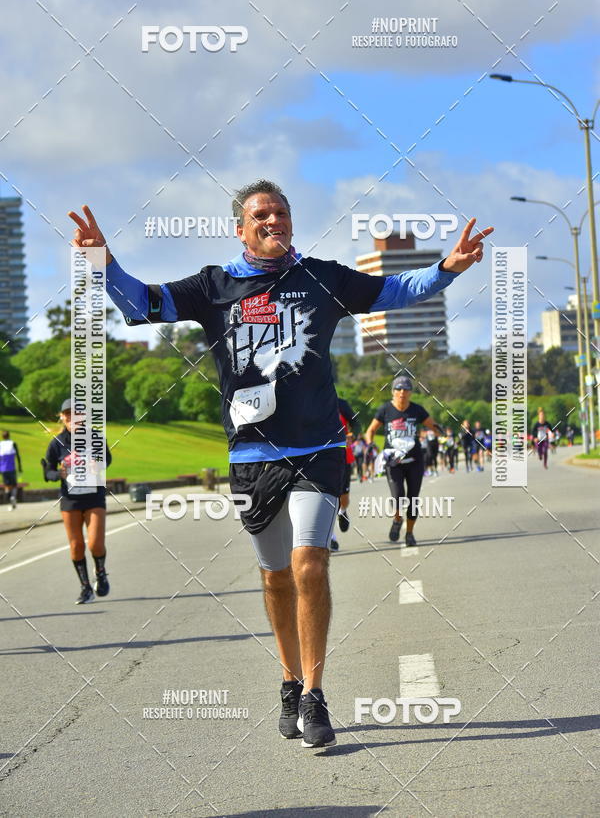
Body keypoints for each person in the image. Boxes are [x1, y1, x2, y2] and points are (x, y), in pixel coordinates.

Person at [69, 180, 491, 748]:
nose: (275, 220)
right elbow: (139, 306)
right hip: (251, 456)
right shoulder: (213, 286)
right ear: (240, 228)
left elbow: (393, 289)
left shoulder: (323, 277)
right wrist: (102, 260)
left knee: (309, 564)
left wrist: (448, 268)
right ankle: (289, 679)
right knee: (274, 577)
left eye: (282, 212)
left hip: (317, 448)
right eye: (261, 214)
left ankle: (315, 693)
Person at [42, 399, 112, 603]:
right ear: (62, 417)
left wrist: (97, 465)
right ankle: (85, 587)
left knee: (96, 544)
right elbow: (48, 470)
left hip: (94, 496)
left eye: (77, 414)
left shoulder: (96, 437)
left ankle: (100, 572)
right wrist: (58, 474)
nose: (73, 418)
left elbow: (107, 459)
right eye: (68, 414)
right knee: (76, 545)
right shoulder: (57, 443)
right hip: (70, 499)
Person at [365, 376, 441, 547]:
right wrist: (370, 445)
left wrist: (439, 432)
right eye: (398, 389)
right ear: (393, 392)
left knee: (413, 499)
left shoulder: (417, 410)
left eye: (406, 389)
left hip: (415, 461)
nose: (402, 393)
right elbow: (370, 430)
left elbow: (433, 426)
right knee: (398, 498)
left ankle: (409, 534)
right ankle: (397, 519)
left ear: (410, 393)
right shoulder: (385, 410)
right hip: (394, 463)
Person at [330, 397, 360, 550]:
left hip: (343, 457)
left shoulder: (341, 403)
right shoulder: (308, 399)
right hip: (320, 458)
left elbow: (356, 423)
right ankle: (331, 538)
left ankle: (343, 512)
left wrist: (352, 435)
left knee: (343, 498)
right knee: (327, 499)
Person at [1, 430, 23, 510]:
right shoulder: (13, 444)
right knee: (14, 485)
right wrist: (20, 467)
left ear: (2, 437)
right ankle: (12, 497)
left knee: (7, 486)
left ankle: (9, 499)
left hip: (3, 469)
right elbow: (18, 456)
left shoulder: (0, 445)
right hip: (11, 468)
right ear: (9, 436)